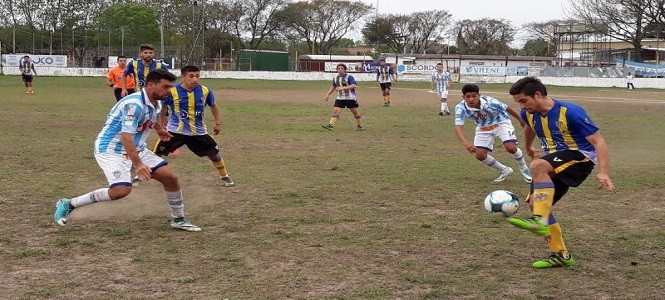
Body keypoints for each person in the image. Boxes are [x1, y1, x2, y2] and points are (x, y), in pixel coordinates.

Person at [53, 69, 201, 232]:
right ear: (151, 85)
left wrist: (159, 128)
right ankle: (68, 204)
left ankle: (178, 219)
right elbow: (126, 137)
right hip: (111, 149)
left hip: (135, 148)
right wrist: (138, 165)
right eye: (166, 87)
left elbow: (150, 118)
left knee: (170, 177)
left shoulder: (155, 101)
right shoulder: (134, 104)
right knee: (120, 191)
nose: (169, 91)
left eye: (171, 87)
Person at [506, 76, 615, 269]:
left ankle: (539, 221)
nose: (522, 106)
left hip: (580, 157)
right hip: (554, 160)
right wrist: (529, 147)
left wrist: (604, 172)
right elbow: (529, 127)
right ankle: (561, 255)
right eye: (518, 102)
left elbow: (599, 141)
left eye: (524, 100)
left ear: (538, 95)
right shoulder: (527, 113)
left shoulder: (570, 112)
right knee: (535, 204)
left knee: (537, 166)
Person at [153, 65, 235, 187]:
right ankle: (141, 175)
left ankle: (224, 176)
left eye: (197, 76)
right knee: (156, 153)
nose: (195, 79)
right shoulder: (172, 91)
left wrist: (218, 123)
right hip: (175, 131)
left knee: (214, 154)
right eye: (191, 76)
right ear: (183, 77)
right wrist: (161, 124)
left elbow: (213, 106)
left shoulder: (205, 91)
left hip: (198, 132)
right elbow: (163, 107)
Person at [453, 84, 532, 183]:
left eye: (474, 96)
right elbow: (458, 126)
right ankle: (504, 170)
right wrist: (465, 143)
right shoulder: (460, 108)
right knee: (480, 154)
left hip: (501, 122)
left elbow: (507, 108)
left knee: (510, 147)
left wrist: (520, 120)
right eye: (468, 97)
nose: (471, 99)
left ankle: (524, 167)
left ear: (479, 95)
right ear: (463, 97)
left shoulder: (490, 102)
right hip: (483, 127)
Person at [322, 63, 364, 131]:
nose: (340, 70)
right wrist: (328, 94)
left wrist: (343, 88)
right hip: (340, 98)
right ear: (336, 70)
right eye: (338, 69)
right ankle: (331, 125)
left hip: (350, 98)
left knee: (354, 112)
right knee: (336, 111)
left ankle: (360, 125)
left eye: (342, 68)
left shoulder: (349, 76)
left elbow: (354, 85)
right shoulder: (335, 78)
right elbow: (333, 86)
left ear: (345, 69)